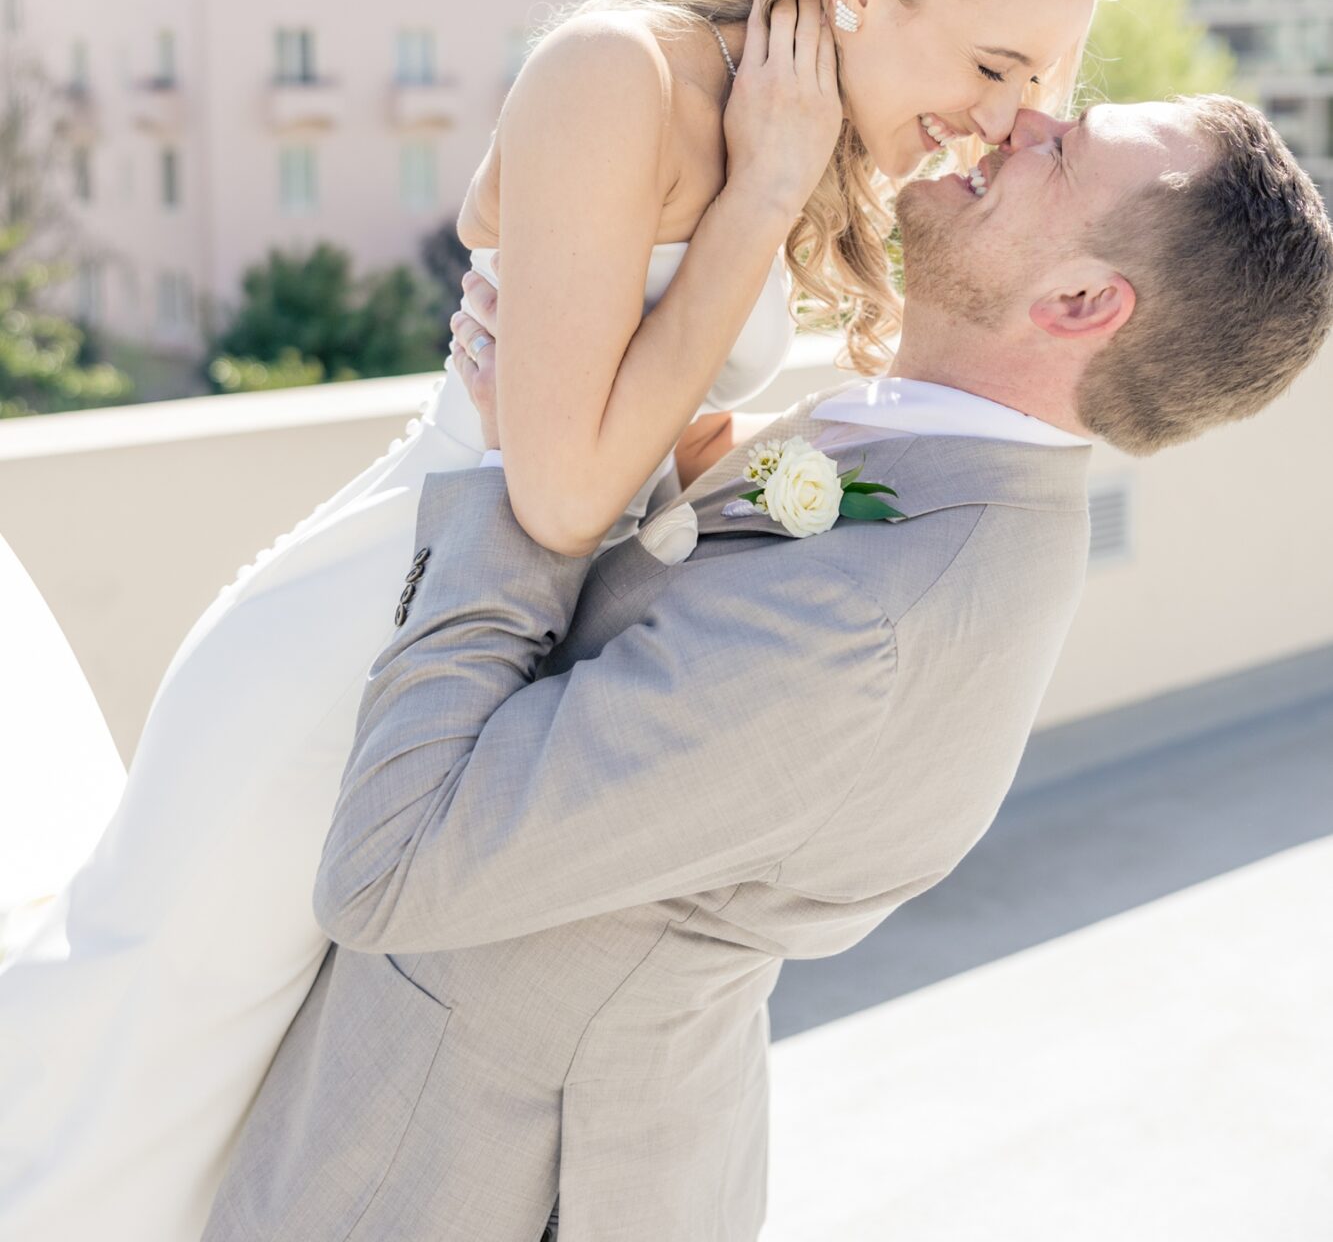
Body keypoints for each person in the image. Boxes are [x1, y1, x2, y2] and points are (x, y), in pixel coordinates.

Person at [0, 0, 1106, 1242]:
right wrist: (757, 196)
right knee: (124, 1075)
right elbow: (562, 493)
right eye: (993, 63)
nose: (1000, 120)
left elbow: (627, 434)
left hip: (470, 666)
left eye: (1036, 94)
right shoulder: (618, 70)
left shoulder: (783, 123)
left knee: (208, 1133)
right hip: (361, 643)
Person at [203, 94, 1333, 1242]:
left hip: (456, 1170)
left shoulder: (874, 618)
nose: (1024, 116)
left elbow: (394, 866)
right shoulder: (928, 456)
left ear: (1082, 302)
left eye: (1064, 148)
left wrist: (517, 471)